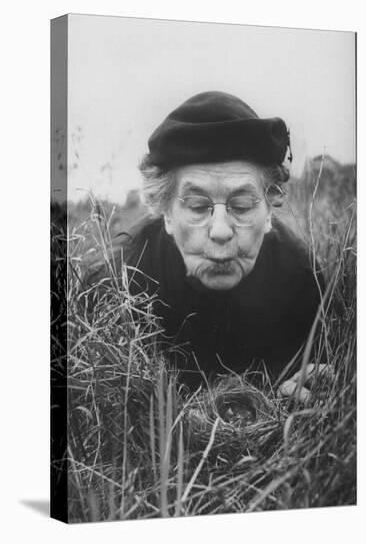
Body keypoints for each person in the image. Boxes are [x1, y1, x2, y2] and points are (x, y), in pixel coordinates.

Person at [86, 91, 325, 397]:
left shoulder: (303, 278)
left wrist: (299, 383)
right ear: (165, 213)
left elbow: (315, 368)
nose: (221, 231)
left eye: (241, 206)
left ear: (269, 211)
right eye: (198, 207)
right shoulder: (118, 281)